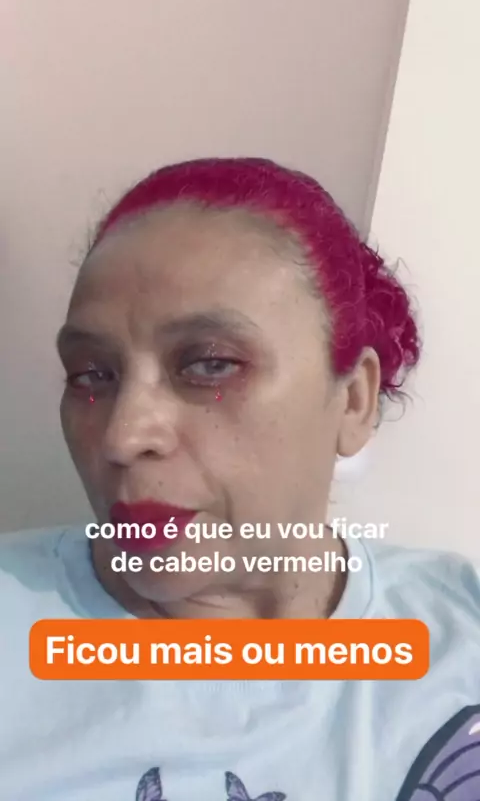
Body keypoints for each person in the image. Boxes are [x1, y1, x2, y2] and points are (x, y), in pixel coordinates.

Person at [1, 157, 479, 801]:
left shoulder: (460, 631)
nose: (122, 437)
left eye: (210, 364)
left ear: (354, 401)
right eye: (91, 374)